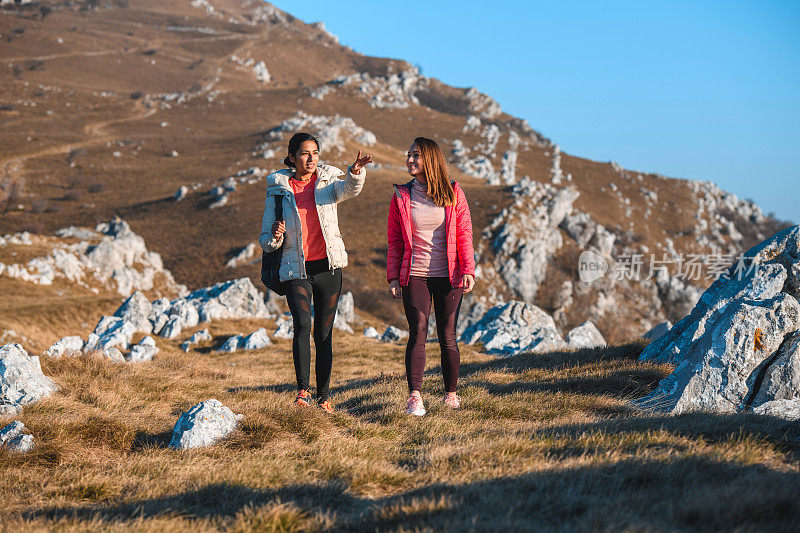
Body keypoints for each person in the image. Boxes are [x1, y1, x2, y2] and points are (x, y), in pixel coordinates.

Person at [260, 132, 372, 413]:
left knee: (323, 334)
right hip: (296, 269)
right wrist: (275, 236)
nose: (311, 159)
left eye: (315, 153)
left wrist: (355, 173)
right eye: (305, 153)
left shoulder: (327, 182)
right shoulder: (278, 191)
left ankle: (324, 397)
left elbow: (349, 190)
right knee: (301, 326)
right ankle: (302, 391)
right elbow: (265, 240)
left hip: (328, 268)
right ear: (293, 157)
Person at [386, 136, 475, 416]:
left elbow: (464, 232)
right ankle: (415, 396)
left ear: (431, 160)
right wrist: (392, 277)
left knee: (447, 334)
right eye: (409, 154)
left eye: (416, 155)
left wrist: (469, 269)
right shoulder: (402, 196)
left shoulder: (453, 192)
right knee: (418, 332)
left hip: (449, 275)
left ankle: (450, 395)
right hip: (415, 274)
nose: (410, 160)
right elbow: (395, 241)